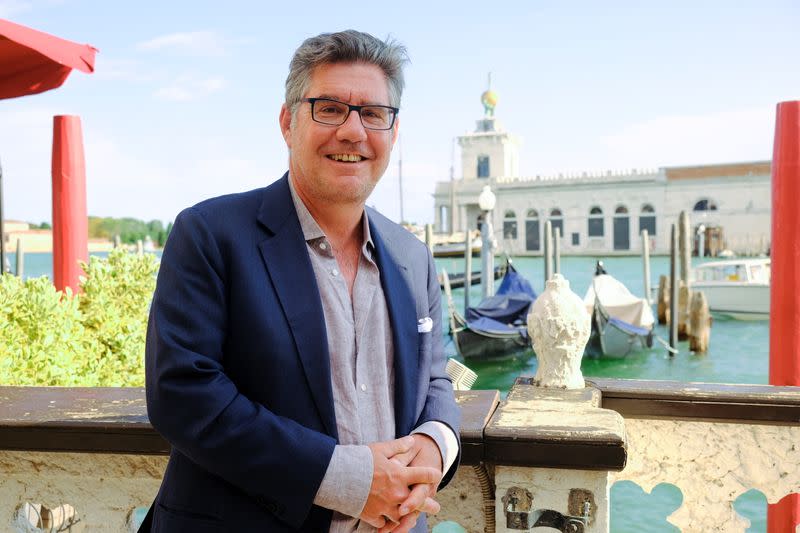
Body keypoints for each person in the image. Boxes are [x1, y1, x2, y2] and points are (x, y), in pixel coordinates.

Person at [143, 30, 461, 532]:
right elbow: (183, 393)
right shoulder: (209, 234)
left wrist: (436, 443)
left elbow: (436, 378)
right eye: (329, 108)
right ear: (288, 123)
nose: (353, 131)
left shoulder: (412, 256)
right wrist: (351, 479)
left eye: (373, 114)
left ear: (392, 135)